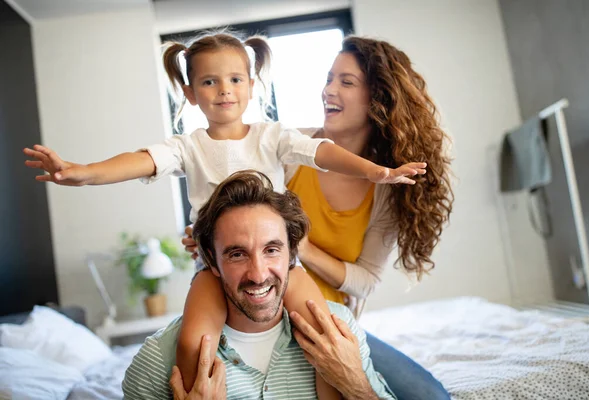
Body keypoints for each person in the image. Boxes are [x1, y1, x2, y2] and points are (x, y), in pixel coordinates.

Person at [22, 31, 426, 397]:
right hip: (211, 267)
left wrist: (378, 173)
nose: (224, 90)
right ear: (191, 93)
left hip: (292, 265)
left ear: (251, 86)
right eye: (209, 81)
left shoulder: (274, 137)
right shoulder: (187, 147)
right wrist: (84, 174)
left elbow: (322, 154)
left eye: (235, 79)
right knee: (194, 341)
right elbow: (141, 160)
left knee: (322, 330)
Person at [182, 35, 453, 399]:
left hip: (330, 319)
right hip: (260, 309)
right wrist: (210, 240)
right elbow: (232, 208)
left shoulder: (386, 185)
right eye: (328, 78)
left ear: (379, 99)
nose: (328, 90)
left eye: (346, 82)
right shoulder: (293, 148)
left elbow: (365, 281)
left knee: (430, 396)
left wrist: (300, 248)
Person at [122, 170, 396, 400]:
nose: (258, 274)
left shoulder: (340, 333)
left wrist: (355, 385)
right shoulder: (158, 360)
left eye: (272, 250)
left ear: (291, 253)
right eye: (237, 254)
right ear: (212, 262)